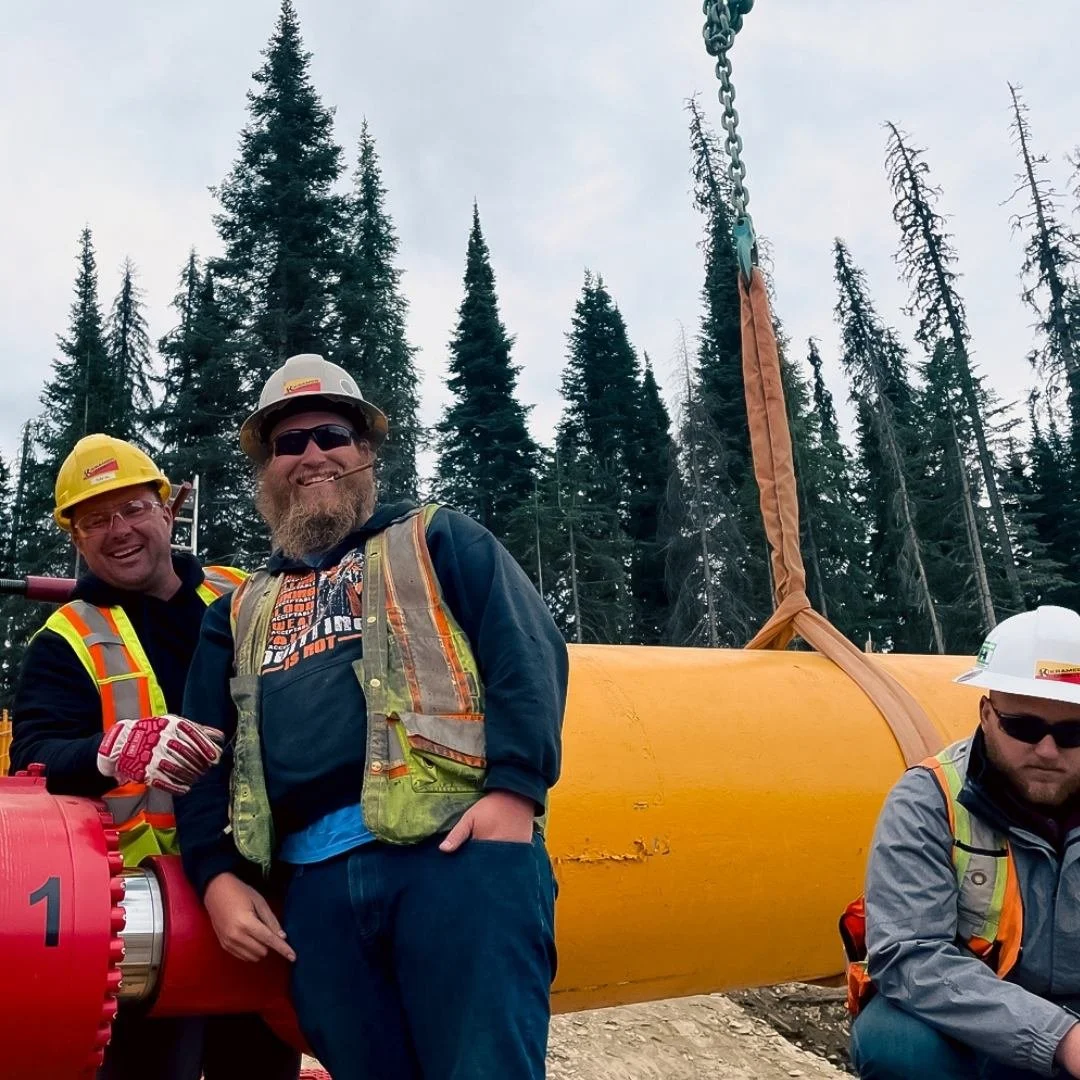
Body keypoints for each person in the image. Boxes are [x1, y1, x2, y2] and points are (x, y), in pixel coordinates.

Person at [176, 353, 566, 1080]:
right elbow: (204, 755)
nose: (312, 455)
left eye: (331, 435)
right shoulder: (237, 609)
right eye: (288, 444)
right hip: (312, 894)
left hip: (456, 860)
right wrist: (216, 875)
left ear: (366, 453)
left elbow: (526, 656)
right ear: (266, 470)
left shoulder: (438, 539)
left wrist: (514, 794)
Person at [10, 434, 301, 1080]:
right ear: (76, 540)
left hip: (260, 893)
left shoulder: (244, 598)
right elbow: (31, 762)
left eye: (133, 508)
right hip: (143, 922)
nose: (119, 530)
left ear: (169, 509)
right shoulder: (66, 641)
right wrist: (113, 752)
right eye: (95, 520)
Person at [849, 605, 1080, 1079]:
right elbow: (909, 954)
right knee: (897, 1045)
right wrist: (1060, 1038)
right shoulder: (930, 800)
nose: (1048, 750)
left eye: (1073, 733)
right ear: (987, 714)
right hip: (975, 1022)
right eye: (1024, 727)